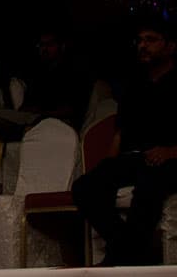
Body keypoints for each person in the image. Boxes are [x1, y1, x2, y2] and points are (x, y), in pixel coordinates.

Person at [72, 16, 177, 266]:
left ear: (170, 46)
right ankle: (128, 250)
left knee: (149, 184)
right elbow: (120, 133)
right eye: (139, 40)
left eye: (150, 40)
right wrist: (108, 166)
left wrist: (171, 151)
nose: (142, 45)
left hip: (171, 158)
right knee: (85, 186)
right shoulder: (135, 87)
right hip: (135, 157)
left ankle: (120, 256)